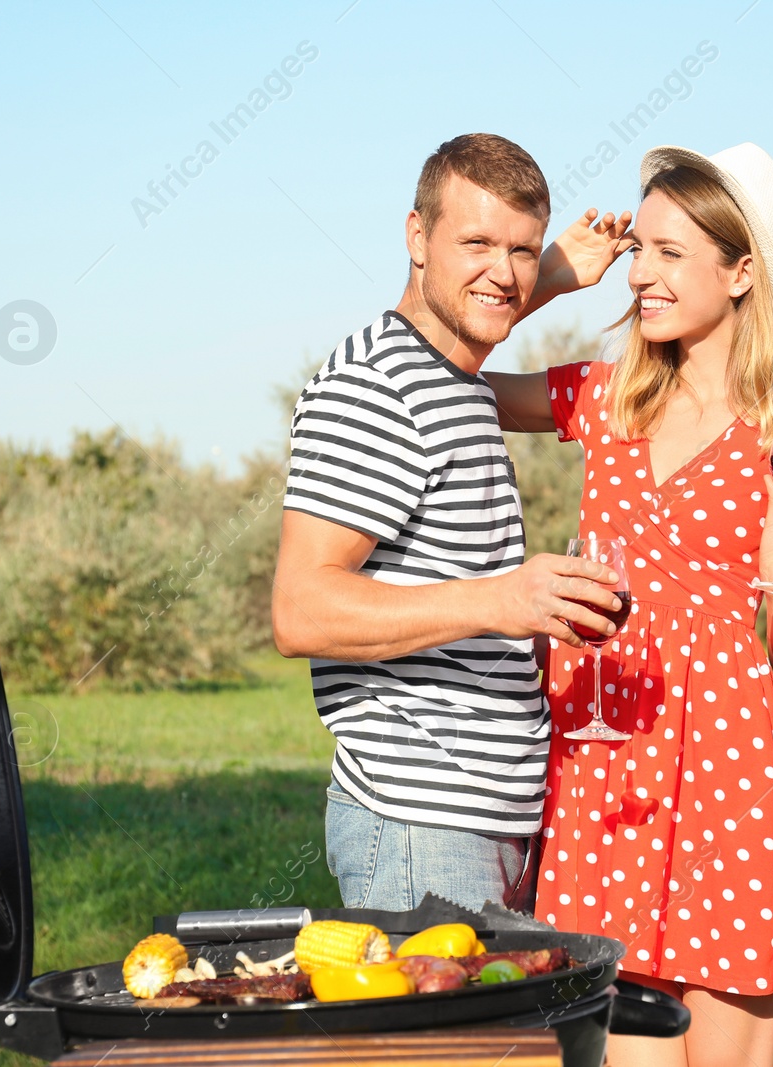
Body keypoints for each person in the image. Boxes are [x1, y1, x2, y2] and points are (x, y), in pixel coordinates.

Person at [487, 143, 773, 1067]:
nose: (640, 272)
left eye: (669, 252)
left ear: (742, 273)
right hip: (602, 775)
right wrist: (550, 280)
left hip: (732, 776)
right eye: (637, 247)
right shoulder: (604, 398)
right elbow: (446, 367)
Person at [271, 133, 635, 912]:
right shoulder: (374, 391)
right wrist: (502, 601)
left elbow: (476, 310)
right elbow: (300, 609)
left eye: (523, 250)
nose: (502, 272)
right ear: (415, 237)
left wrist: (555, 275)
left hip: (484, 821)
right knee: (436, 1041)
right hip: (420, 827)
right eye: (475, 241)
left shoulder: (452, 374)